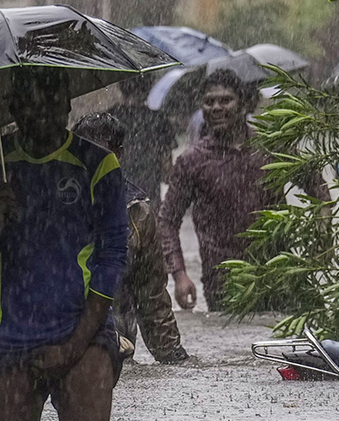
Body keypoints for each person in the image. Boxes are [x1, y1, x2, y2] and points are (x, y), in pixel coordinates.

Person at [0, 67, 129, 421]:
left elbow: (111, 261)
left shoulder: (97, 165)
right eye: (30, 106)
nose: (42, 115)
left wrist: (74, 346)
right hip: (10, 338)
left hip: (84, 335)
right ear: (12, 108)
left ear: (67, 104)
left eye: (51, 103)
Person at [71, 112, 189, 364]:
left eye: (99, 152)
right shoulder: (51, 203)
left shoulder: (138, 214)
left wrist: (173, 356)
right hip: (60, 344)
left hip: (116, 352)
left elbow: (151, 295)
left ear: (118, 154)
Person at [158, 69, 278, 313]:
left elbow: (315, 184)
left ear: (243, 104)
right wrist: (179, 275)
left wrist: (321, 233)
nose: (216, 107)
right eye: (209, 101)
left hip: (277, 275)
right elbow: (167, 221)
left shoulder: (270, 148)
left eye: (225, 100)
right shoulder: (192, 162)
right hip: (223, 284)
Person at [106, 74, 177, 211]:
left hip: (115, 204)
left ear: (121, 87)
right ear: (149, 87)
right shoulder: (158, 120)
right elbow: (167, 173)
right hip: (148, 205)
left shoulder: (109, 119)